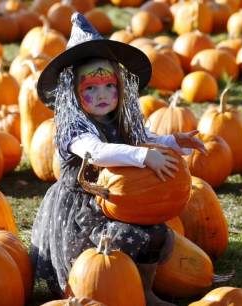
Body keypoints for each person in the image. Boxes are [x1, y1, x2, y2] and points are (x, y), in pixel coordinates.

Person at [30, 12, 206, 306]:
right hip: (84, 208)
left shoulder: (117, 120)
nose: (102, 94)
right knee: (118, 242)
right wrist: (143, 157)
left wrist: (173, 142)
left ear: (120, 87)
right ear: (73, 94)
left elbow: (143, 138)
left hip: (121, 198)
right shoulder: (75, 130)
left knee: (158, 232)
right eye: (90, 88)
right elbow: (97, 152)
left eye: (109, 85)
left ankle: (144, 291)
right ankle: (102, 289)